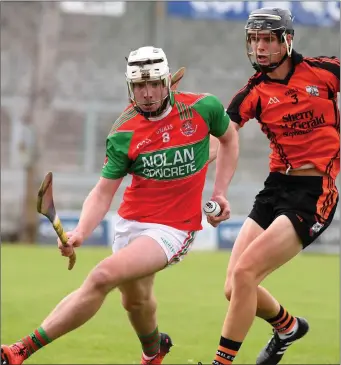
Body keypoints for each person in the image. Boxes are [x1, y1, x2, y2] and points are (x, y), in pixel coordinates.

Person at [1, 46, 239, 365]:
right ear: (130, 87)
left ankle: (20, 351)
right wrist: (81, 232)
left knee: (102, 275)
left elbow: (229, 139)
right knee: (136, 302)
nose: (148, 93)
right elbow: (103, 192)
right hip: (131, 223)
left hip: (174, 229)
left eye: (154, 83)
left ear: (168, 81)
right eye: (139, 86)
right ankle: (154, 352)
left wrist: (220, 191)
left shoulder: (202, 108)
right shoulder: (124, 132)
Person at [209, 7, 340, 365]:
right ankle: (288, 327)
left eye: (267, 39)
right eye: (254, 39)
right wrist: (212, 187)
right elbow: (224, 135)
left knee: (244, 272)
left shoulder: (324, 71)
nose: (260, 47)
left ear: (287, 40)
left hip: (313, 193)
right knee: (234, 287)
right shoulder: (254, 91)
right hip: (275, 189)